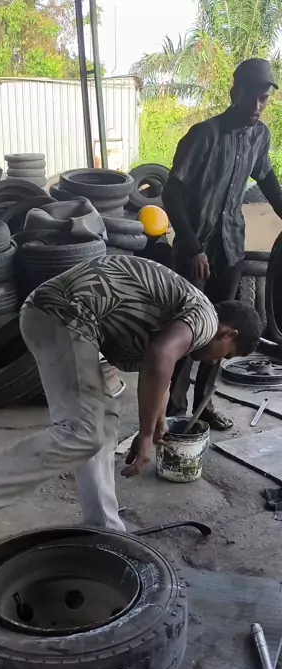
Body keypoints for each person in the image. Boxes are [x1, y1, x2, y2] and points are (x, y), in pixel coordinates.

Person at [0, 254, 262, 560]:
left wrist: (157, 423)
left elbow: (160, 369)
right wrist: (145, 434)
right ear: (228, 334)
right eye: (227, 355)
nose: (216, 362)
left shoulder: (189, 311)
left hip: (72, 320)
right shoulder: (205, 321)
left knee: (103, 423)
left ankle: (105, 530)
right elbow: (161, 355)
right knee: (81, 431)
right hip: (66, 315)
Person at [163, 57, 282, 430]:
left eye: (264, 99)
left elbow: (267, 180)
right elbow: (171, 193)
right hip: (195, 249)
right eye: (252, 96)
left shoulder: (260, 136)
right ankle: (174, 407)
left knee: (222, 328)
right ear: (235, 92)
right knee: (190, 327)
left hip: (231, 247)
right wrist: (192, 245)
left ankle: (204, 404)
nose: (257, 106)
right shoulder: (204, 135)